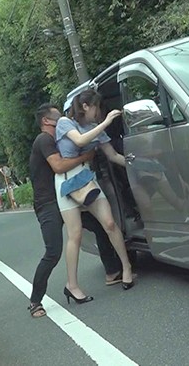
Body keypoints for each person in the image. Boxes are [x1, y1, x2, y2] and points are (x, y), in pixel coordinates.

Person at [27, 103, 127, 318]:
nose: (62, 119)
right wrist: (85, 157)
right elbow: (59, 166)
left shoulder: (60, 138)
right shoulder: (44, 140)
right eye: (57, 117)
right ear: (46, 121)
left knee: (101, 226)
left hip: (68, 195)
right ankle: (35, 301)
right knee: (53, 252)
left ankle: (112, 272)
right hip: (48, 204)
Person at [54, 89, 136, 305]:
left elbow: (113, 155)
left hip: (86, 178)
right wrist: (106, 122)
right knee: (75, 234)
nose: (99, 112)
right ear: (85, 106)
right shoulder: (64, 122)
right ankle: (72, 285)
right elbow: (80, 141)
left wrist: (135, 164)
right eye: (97, 107)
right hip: (65, 182)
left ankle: (126, 267)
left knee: (109, 223)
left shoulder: (95, 128)